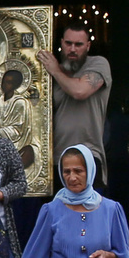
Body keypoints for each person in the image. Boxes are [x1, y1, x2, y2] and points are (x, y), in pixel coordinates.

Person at [37, 25, 114, 177]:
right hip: (55, 159)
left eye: (78, 44)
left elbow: (80, 91)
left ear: (88, 45)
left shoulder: (98, 63)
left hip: (88, 155)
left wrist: (55, 70)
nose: (72, 49)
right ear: (61, 43)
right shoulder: (52, 72)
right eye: (68, 43)